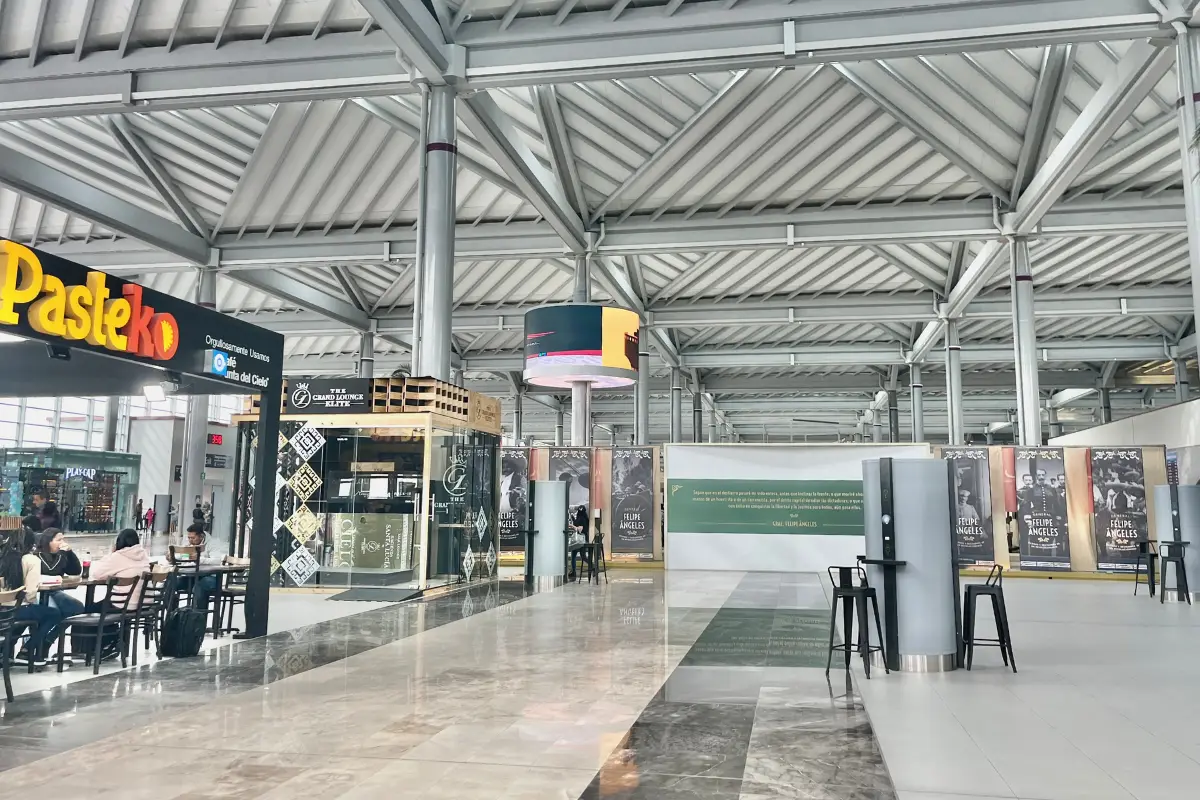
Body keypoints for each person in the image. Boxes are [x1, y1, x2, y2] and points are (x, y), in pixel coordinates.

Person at [0, 524, 64, 667]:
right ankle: (28, 649)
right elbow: (30, 593)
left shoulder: (3, 556)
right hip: (17, 610)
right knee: (52, 614)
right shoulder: (31, 560)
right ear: (31, 543)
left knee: (27, 615)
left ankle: (5, 650)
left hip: (2, 611)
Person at [35, 528, 84, 618]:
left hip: (57, 591)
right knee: (70, 608)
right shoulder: (38, 555)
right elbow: (52, 570)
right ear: (48, 541)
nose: (62, 543)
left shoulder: (61, 555)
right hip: (41, 593)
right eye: (59, 540)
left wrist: (70, 553)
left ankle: (59, 630)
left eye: (63, 539)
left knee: (77, 607)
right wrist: (62, 553)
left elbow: (75, 571)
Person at [183, 523, 220, 611]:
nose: (190, 540)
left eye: (193, 538)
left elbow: (217, 560)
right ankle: (172, 617)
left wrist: (200, 559)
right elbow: (182, 556)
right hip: (192, 575)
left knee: (199, 587)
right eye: (189, 538)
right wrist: (172, 557)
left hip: (211, 576)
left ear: (201, 536)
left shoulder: (212, 543)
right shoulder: (188, 543)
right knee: (173, 582)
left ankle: (198, 620)